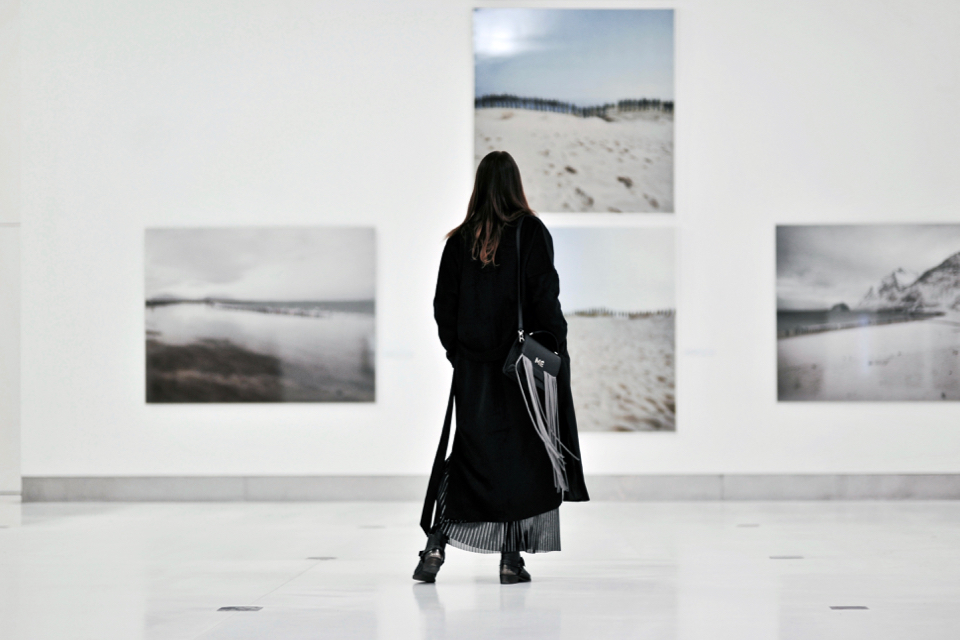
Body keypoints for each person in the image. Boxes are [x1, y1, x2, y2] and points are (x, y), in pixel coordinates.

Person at [414, 150, 589, 585]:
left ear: (479, 187)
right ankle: (510, 561)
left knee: (470, 456)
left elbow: (443, 309)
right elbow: (546, 300)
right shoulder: (529, 232)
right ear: (515, 184)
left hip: (473, 371)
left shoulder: (459, 241)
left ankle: (434, 547)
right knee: (520, 459)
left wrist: (461, 354)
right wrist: (555, 356)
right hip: (521, 371)